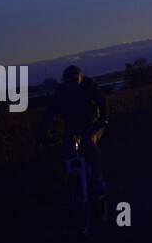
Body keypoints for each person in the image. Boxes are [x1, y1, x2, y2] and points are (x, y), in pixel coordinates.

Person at [40, 65, 109, 194]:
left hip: (91, 124)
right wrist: (42, 131)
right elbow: (50, 112)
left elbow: (102, 101)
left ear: (80, 78)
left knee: (89, 144)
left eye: (74, 80)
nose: (71, 84)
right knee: (67, 152)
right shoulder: (61, 91)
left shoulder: (89, 85)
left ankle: (99, 179)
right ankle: (71, 183)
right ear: (64, 81)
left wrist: (103, 119)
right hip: (71, 127)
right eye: (68, 81)